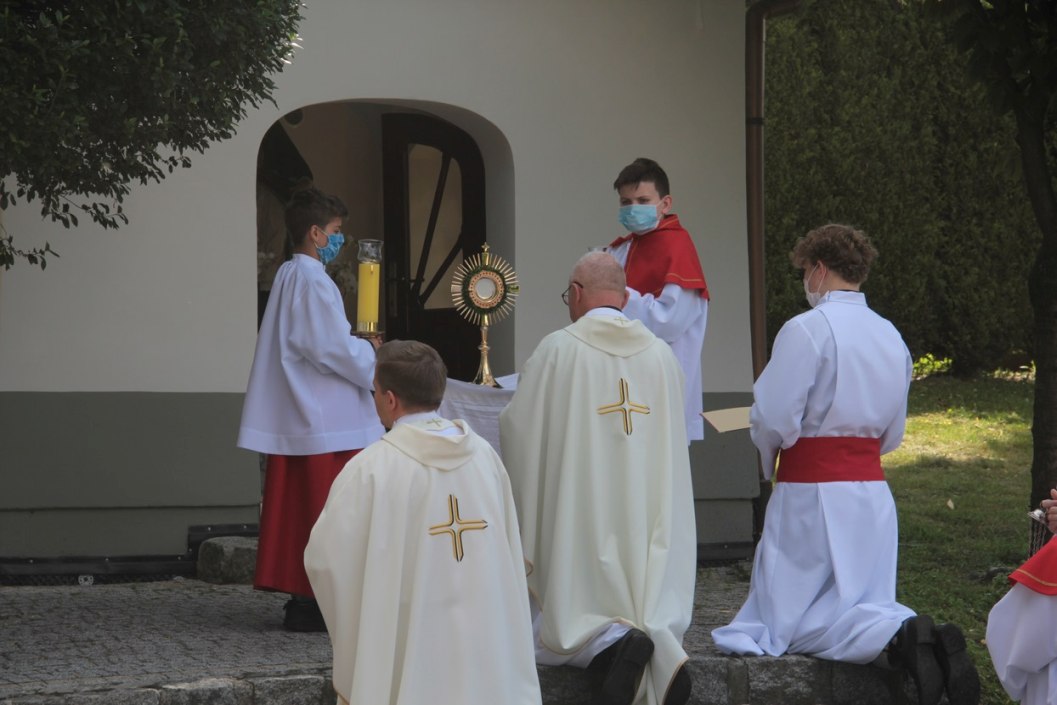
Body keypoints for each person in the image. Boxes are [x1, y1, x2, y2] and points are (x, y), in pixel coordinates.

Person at [710, 224, 979, 705]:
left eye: (804, 272)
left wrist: (768, 456)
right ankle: (906, 633)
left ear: (817, 268)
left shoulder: (806, 329)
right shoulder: (890, 335)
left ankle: (896, 635)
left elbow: (773, 416)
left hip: (809, 493)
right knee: (863, 597)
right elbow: (893, 433)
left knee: (782, 621)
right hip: (871, 493)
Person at [499, 252, 696, 705]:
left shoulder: (558, 350)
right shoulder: (662, 355)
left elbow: (519, 429)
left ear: (576, 293)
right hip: (646, 512)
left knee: (548, 631)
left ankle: (607, 642)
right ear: (624, 296)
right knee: (644, 586)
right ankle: (653, 646)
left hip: (582, 510)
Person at [305, 341, 542, 705]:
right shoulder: (485, 458)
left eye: (374, 391)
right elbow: (510, 551)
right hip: (484, 644)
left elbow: (326, 562)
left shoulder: (371, 469)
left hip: (410, 643)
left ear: (390, 399)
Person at [237, 187, 383, 632]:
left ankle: (307, 597)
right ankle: (318, 600)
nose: (340, 239)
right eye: (336, 231)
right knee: (326, 510)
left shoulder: (288, 274)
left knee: (304, 511)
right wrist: (372, 357)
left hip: (307, 412)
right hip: (326, 417)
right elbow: (326, 347)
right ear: (316, 233)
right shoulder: (313, 280)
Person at [607, 158, 709, 442]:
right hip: (618, 378)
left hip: (660, 380)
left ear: (665, 204)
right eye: (625, 202)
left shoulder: (678, 248)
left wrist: (619, 295)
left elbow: (669, 322)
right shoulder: (621, 249)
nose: (632, 209)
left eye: (642, 201)